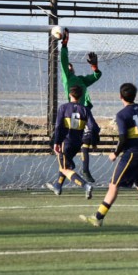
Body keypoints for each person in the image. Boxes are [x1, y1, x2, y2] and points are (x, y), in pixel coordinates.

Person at [80, 83, 138, 227]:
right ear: (135, 95)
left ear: (120, 96)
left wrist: (115, 153)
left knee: (114, 185)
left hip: (132, 155)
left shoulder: (122, 115)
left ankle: (98, 217)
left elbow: (123, 138)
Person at [59, 28, 102, 184]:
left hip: (85, 113)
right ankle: (76, 172)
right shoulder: (67, 79)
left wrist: (94, 66)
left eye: (71, 66)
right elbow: (63, 61)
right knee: (75, 146)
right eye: (67, 67)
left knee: (88, 139)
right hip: (74, 114)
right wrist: (64, 45)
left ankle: (82, 171)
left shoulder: (82, 80)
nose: (69, 67)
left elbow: (97, 76)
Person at [45, 85, 95, 199]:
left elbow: (58, 126)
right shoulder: (85, 109)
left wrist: (56, 142)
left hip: (65, 142)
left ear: (69, 94)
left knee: (65, 168)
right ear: (81, 96)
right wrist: (93, 139)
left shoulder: (63, 107)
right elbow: (93, 127)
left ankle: (85, 185)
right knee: (64, 164)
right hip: (78, 143)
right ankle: (57, 187)